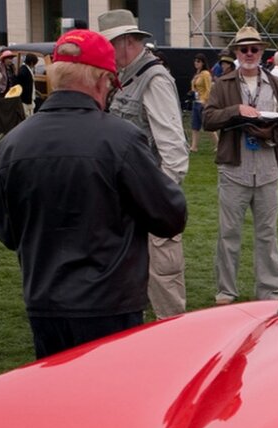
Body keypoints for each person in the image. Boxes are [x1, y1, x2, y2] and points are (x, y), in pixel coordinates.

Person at [0, 29, 187, 360]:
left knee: (57, 399)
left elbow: (8, 231)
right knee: (110, 399)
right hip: (109, 304)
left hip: (44, 301)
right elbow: (170, 215)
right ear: (101, 80)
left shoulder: (14, 143)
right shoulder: (121, 139)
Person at [101, 9, 190, 321]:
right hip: (127, 202)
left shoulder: (155, 80)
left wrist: (157, 199)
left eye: (109, 45)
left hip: (150, 199)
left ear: (126, 42)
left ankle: (174, 343)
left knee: (164, 283)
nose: (106, 54)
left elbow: (175, 152)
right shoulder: (124, 78)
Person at [203, 26, 278, 304]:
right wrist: (236, 111)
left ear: (262, 51)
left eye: (254, 48)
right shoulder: (224, 83)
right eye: (243, 49)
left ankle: (269, 293)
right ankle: (226, 292)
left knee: (267, 234)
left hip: (268, 171)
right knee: (228, 234)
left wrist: (271, 134)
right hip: (234, 171)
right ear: (235, 52)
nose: (249, 53)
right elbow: (208, 118)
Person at [190, 54, 216, 151]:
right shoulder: (197, 73)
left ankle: (218, 144)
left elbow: (209, 88)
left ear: (203, 63)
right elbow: (194, 87)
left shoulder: (206, 74)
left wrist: (205, 101)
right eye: (195, 61)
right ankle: (194, 146)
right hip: (196, 101)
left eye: (198, 61)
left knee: (207, 125)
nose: (196, 63)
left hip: (202, 102)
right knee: (195, 126)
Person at [17, 53, 37, 118]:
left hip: (27, 99)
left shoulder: (24, 69)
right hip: (26, 100)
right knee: (27, 117)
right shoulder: (24, 71)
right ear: (31, 63)